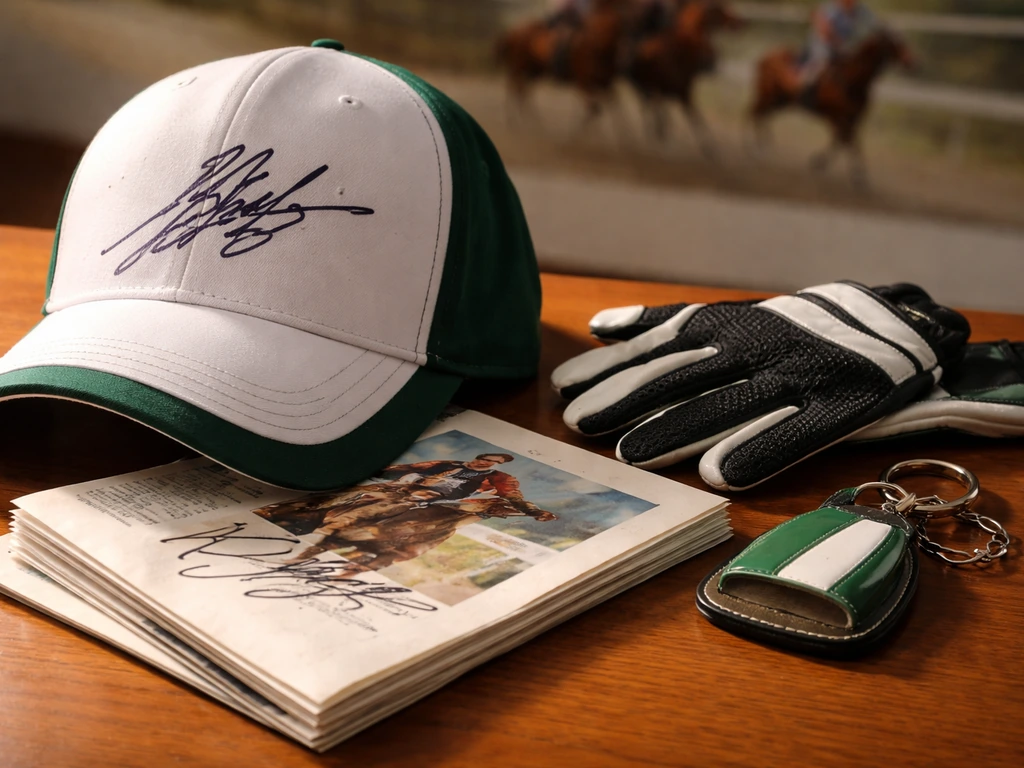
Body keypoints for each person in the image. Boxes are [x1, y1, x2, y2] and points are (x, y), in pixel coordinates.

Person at [784, 0, 879, 99]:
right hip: (824, 44)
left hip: (846, 48)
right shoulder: (831, 9)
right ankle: (801, 89)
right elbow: (823, 28)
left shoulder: (862, 12)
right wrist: (835, 39)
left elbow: (870, 30)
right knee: (821, 63)